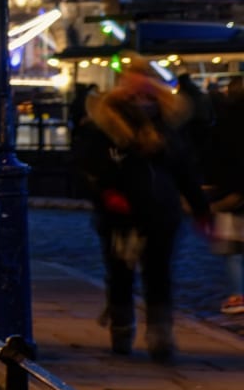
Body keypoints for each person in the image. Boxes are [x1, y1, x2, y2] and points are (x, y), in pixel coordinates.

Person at [74, 62, 208, 359]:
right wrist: (107, 195)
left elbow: (184, 171)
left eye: (146, 89)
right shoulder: (104, 125)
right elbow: (89, 167)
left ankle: (160, 335)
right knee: (120, 273)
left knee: (159, 274)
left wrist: (201, 210)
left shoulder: (168, 125)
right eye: (134, 89)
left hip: (162, 212)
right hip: (119, 216)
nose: (142, 98)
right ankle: (122, 329)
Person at [206, 77, 244, 315]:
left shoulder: (223, 123)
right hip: (236, 190)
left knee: (232, 251)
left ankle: (237, 294)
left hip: (231, 193)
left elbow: (216, 159)